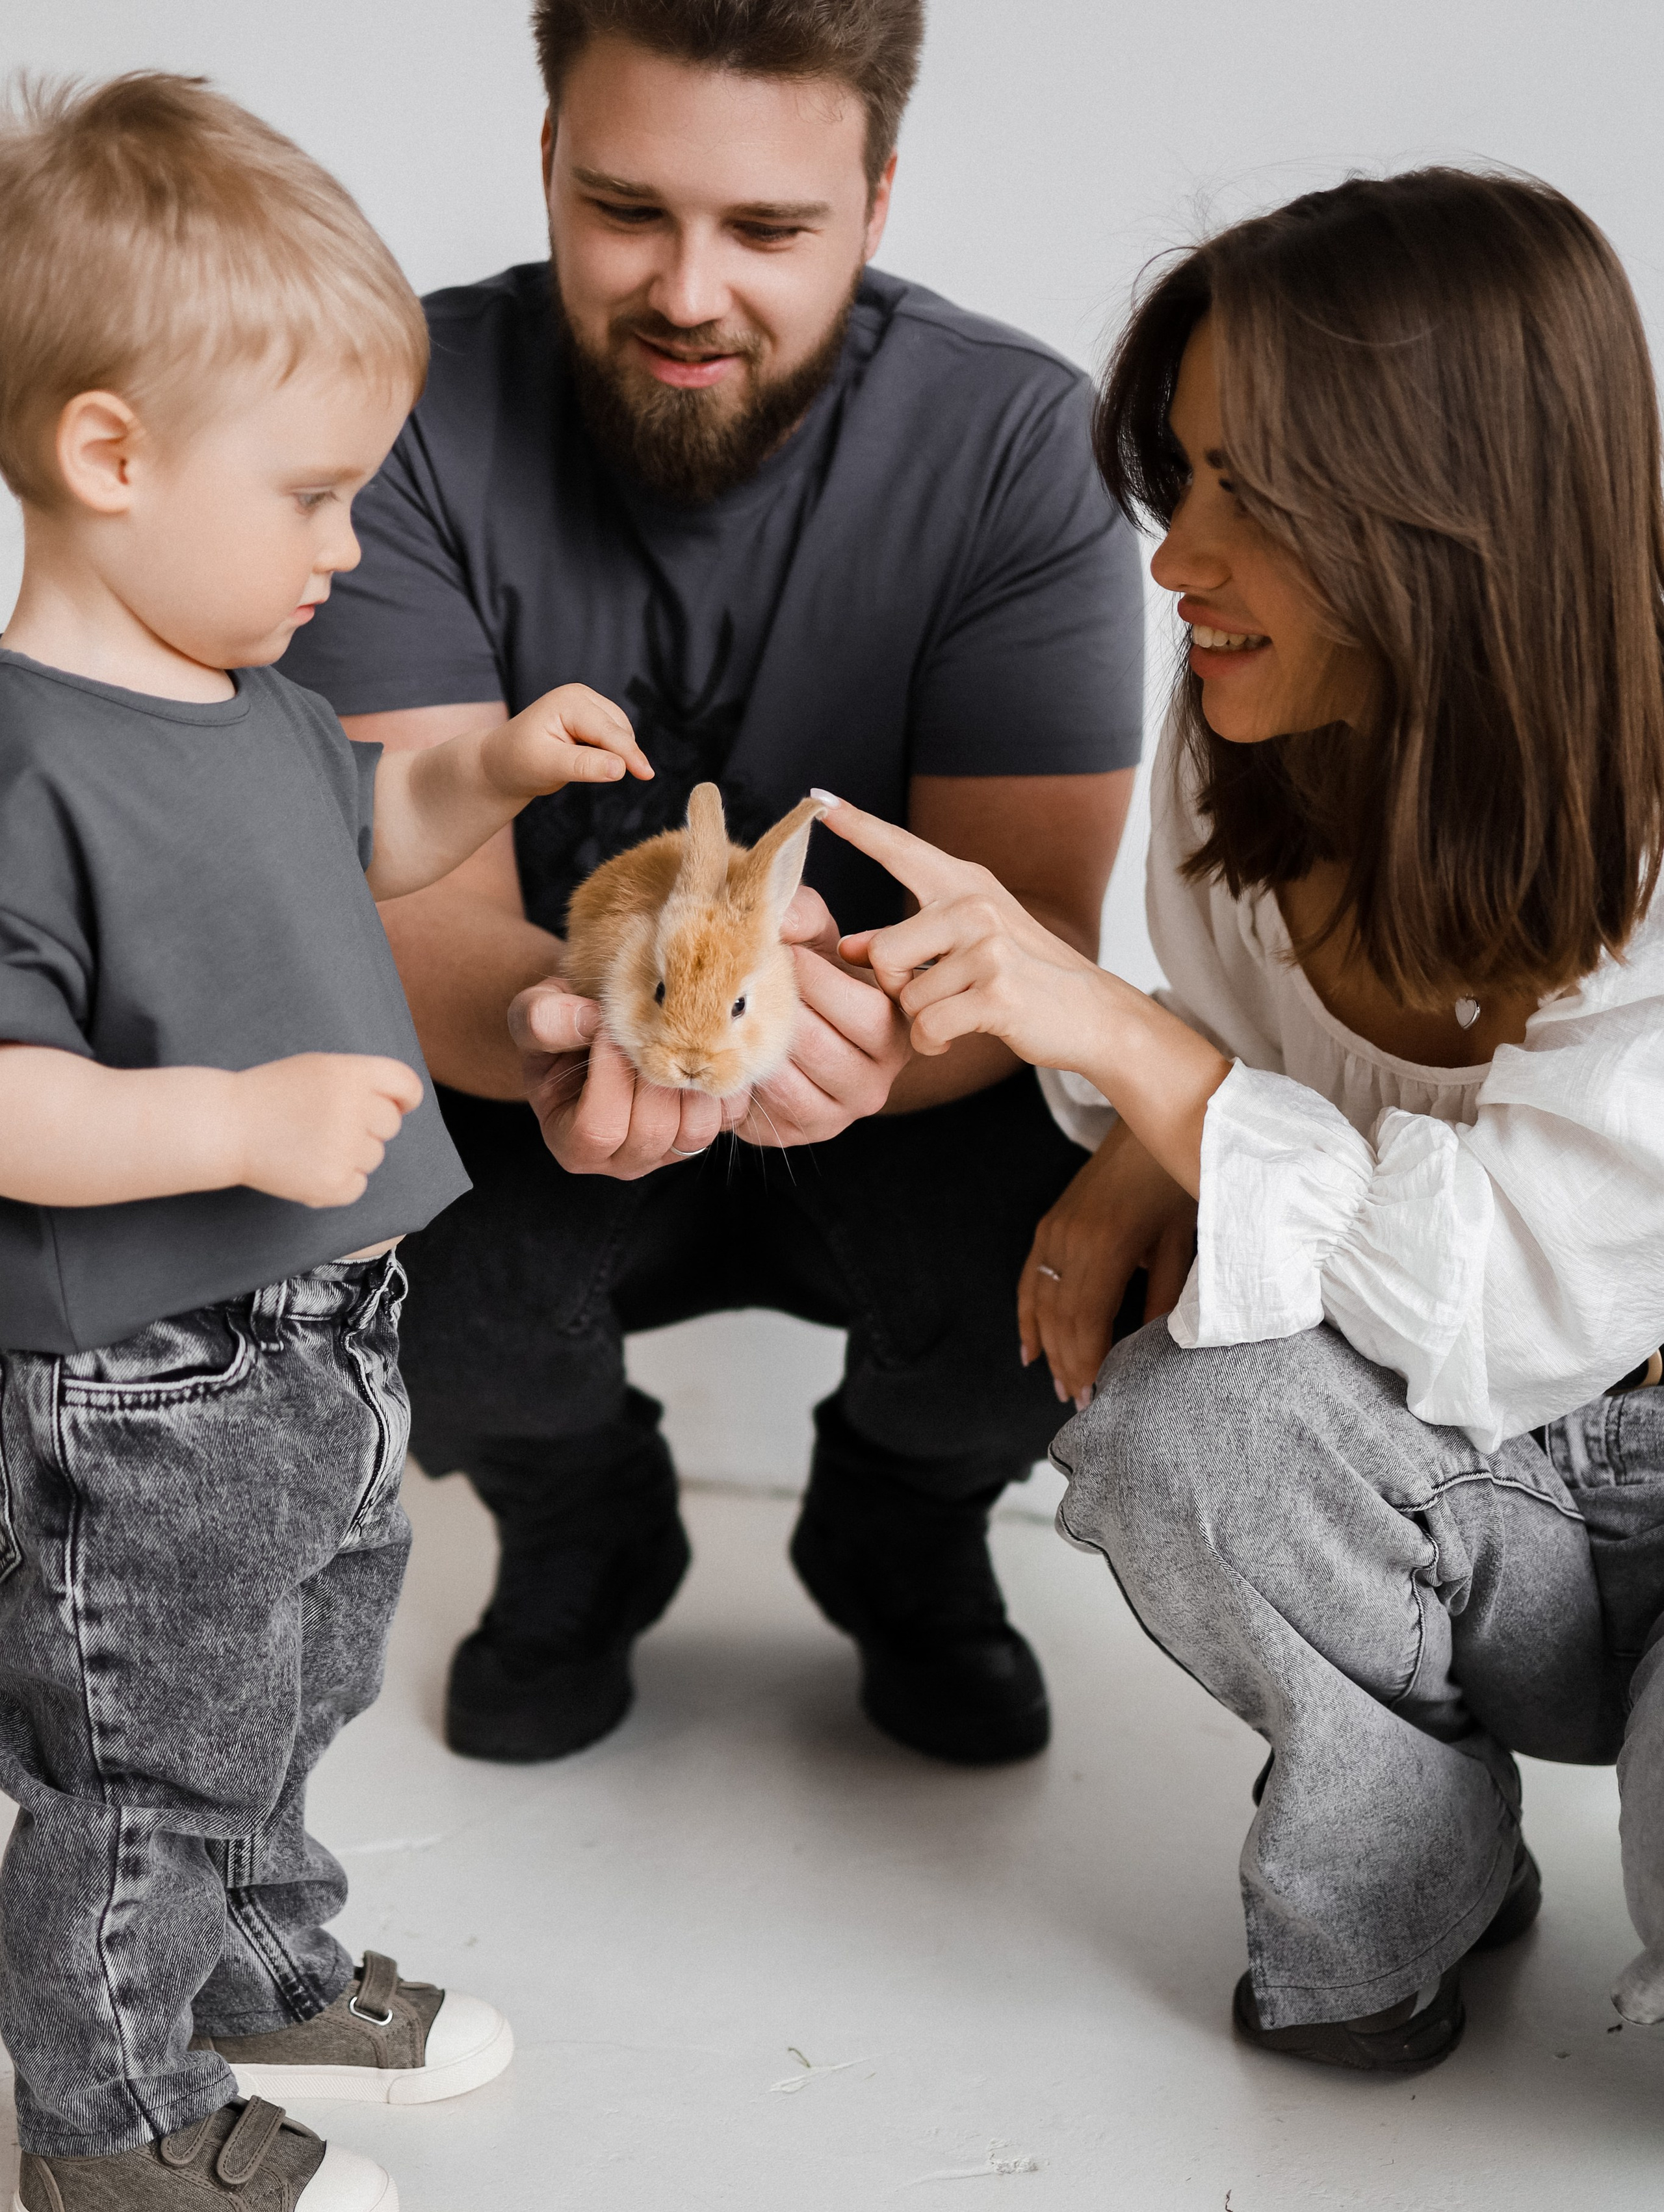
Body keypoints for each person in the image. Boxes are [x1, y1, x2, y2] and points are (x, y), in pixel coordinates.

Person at [818, 167, 1664, 2074]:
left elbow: (1520, 1302)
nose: (1173, 557)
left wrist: (1150, 1068)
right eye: (1180, 474)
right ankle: (1404, 1881)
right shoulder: (1263, 719)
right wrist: (1124, 1098)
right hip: (1485, 1504)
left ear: (1458, 507)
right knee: (1181, 1421)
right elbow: (1239, 1048)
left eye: (1247, 494)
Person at [283, 0, 1145, 1771]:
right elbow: (411, 902)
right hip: (551, 1059)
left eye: (767, 229)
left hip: (897, 1071)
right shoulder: (399, 421)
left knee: (1080, 1242)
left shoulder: (1021, 450)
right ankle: (583, 1524)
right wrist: (565, 1032)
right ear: (543, 161)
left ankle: (900, 1529)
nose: (690, 288)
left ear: (878, 201)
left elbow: (1035, 933)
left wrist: (843, 1042)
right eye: (626, 208)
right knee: (355, 1230)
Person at [0, 74, 655, 2212]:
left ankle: (260, 1964)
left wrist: (494, 758)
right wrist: (233, 1127)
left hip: (324, 1339)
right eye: (307, 494)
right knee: (149, 1743)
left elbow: (371, 824)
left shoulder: (248, 691)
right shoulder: (27, 757)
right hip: (152, 1374)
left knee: (296, 1683)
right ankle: (104, 2118)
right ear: (110, 458)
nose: (343, 547)